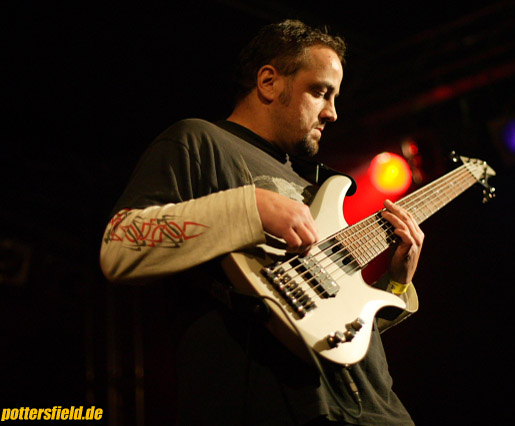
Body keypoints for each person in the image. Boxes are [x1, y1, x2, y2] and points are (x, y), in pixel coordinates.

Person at [100, 19, 424, 425]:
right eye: (320, 92)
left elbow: (329, 325)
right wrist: (249, 207)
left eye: (334, 97)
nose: (332, 113)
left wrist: (396, 283)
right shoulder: (199, 141)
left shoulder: (315, 186)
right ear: (269, 82)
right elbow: (120, 245)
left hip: (381, 412)